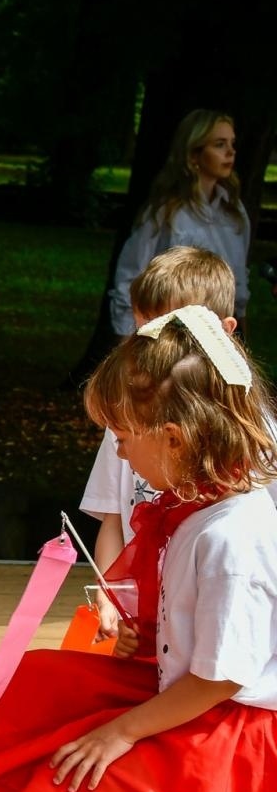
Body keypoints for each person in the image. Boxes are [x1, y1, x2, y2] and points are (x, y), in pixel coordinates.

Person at [0, 307, 277, 792]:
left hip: (229, 728)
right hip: (186, 693)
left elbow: (221, 678)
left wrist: (122, 731)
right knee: (43, 697)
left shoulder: (231, 539)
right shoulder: (197, 507)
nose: (122, 455)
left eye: (125, 438)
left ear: (176, 439)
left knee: (96, 755)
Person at [79, 246, 273, 642]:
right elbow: (112, 519)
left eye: (167, 334)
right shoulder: (127, 422)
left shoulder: (258, 433)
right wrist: (113, 596)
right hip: (147, 622)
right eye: (142, 333)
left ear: (225, 332)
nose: (150, 351)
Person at [108, 110, 250, 337]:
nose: (230, 152)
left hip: (223, 335)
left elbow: (239, 282)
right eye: (219, 144)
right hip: (173, 334)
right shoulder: (167, 212)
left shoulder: (234, 211)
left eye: (232, 143)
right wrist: (128, 340)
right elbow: (129, 277)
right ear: (194, 154)